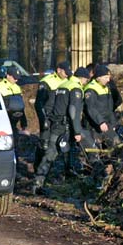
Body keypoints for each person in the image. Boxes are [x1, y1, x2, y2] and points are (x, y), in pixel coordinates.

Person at [33, 63, 87, 195]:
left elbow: (51, 105)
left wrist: (49, 120)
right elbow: (73, 111)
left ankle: (38, 182)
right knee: (69, 153)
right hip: (66, 127)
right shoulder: (75, 88)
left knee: (50, 153)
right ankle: (71, 182)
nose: (86, 82)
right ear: (82, 78)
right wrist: (77, 131)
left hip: (56, 125)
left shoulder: (62, 86)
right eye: (86, 80)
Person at [82, 64, 120, 179]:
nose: (109, 79)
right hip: (94, 126)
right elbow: (90, 108)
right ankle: (94, 178)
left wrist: (113, 124)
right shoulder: (90, 89)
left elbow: (110, 108)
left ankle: (111, 173)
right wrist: (100, 122)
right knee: (95, 152)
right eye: (106, 77)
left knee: (115, 147)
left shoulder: (106, 87)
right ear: (98, 77)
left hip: (107, 125)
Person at [34, 61, 70, 169]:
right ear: (59, 70)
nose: (66, 75)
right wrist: (43, 119)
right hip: (48, 117)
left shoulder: (67, 81)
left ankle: (63, 170)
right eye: (65, 72)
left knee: (61, 143)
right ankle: (37, 168)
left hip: (60, 118)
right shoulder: (46, 82)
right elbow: (39, 103)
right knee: (44, 144)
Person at [0, 66, 29, 137]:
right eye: (14, 78)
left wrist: (23, 125)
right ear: (8, 75)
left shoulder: (17, 88)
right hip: (4, 122)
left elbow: (21, 107)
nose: (16, 80)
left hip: (15, 121)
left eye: (17, 78)